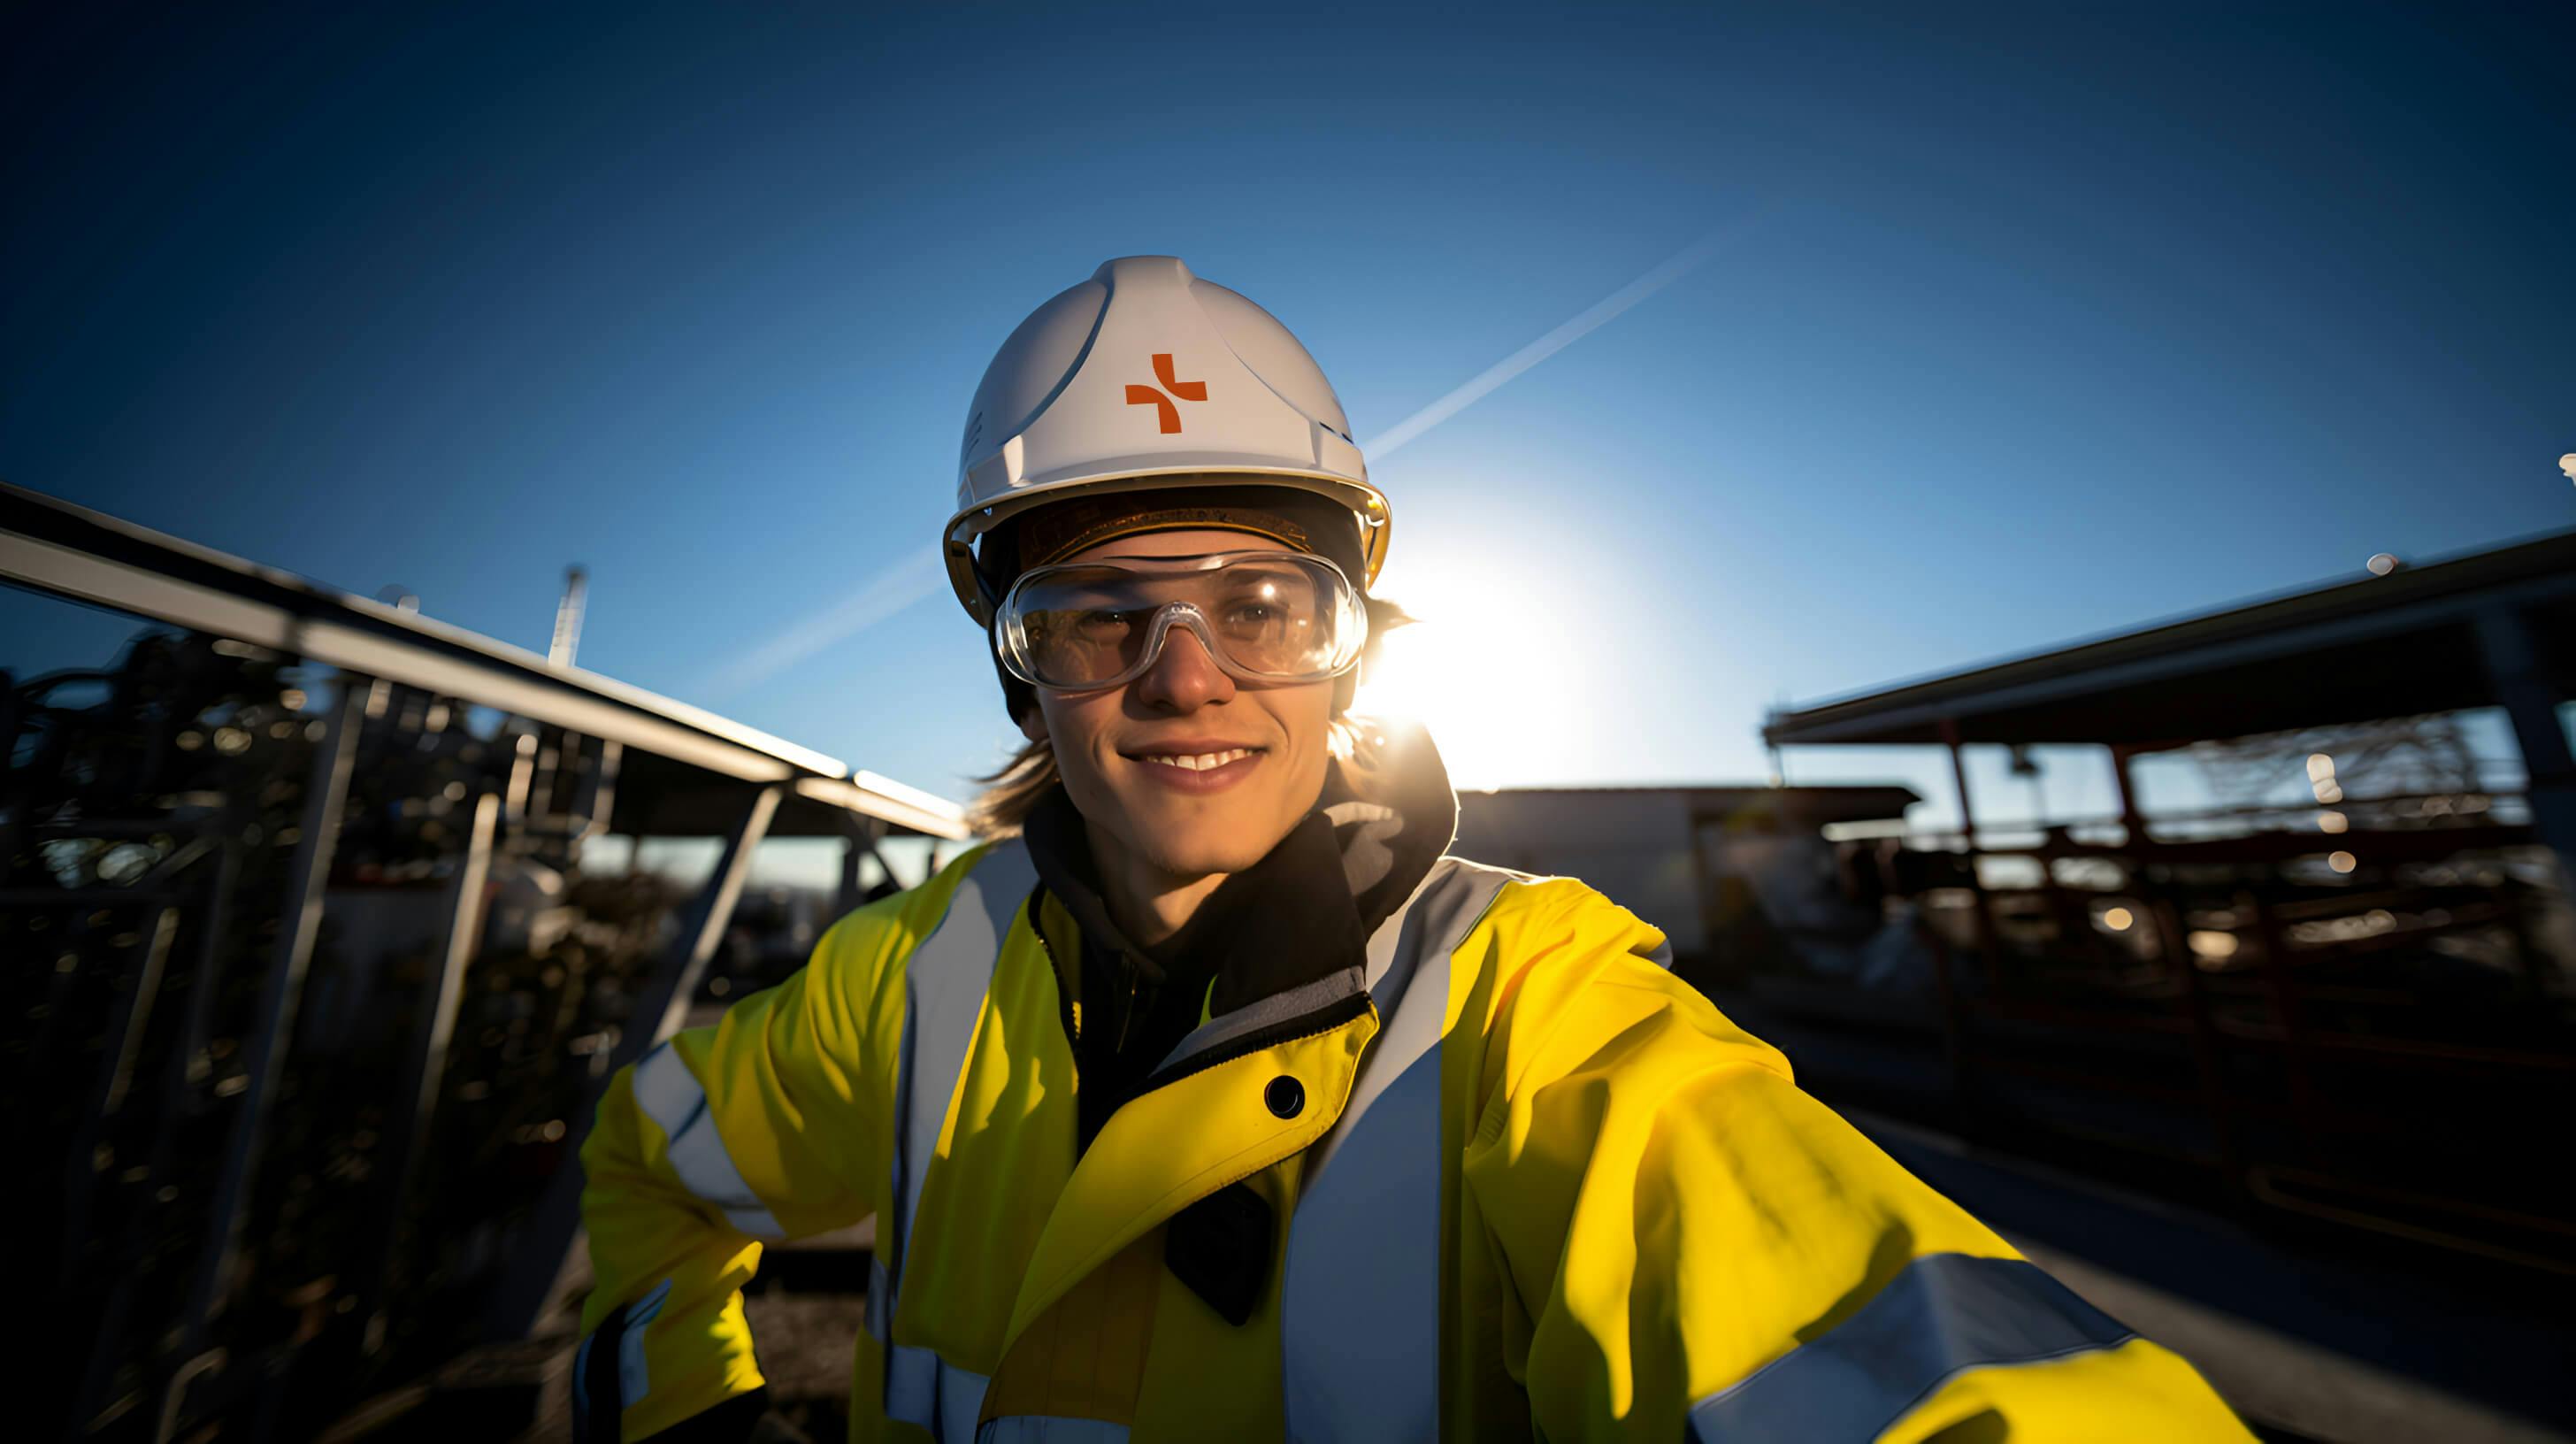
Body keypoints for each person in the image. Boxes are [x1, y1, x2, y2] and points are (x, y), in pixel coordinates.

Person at [575, 257, 2250, 1442]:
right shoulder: (908, 975)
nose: (1187, 681)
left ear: (1355, 647)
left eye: (1260, 606)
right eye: (1093, 619)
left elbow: (1911, 1360)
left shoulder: (1527, 1009)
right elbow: (650, 1164)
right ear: (1018, 677)